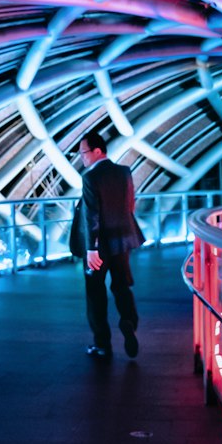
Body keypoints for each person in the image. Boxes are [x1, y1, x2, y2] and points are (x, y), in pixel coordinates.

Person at [77, 128, 143, 360]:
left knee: (95, 293)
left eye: (83, 153)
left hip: (100, 247)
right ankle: (129, 322)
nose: (81, 158)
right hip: (122, 242)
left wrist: (92, 248)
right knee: (122, 285)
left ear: (97, 151)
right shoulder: (124, 172)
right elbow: (129, 205)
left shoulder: (90, 178)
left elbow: (92, 214)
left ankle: (102, 344)